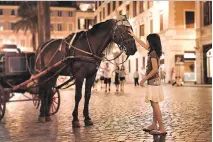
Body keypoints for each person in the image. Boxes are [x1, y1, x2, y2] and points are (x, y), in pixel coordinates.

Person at [129, 31, 167, 135]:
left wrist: (144, 79)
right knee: (154, 103)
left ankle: (162, 128)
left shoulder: (153, 53)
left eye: (148, 41)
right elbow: (142, 44)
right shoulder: (153, 51)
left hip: (153, 81)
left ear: (152, 41)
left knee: (155, 104)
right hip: (155, 81)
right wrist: (134, 36)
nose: (147, 42)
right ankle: (154, 124)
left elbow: (155, 69)